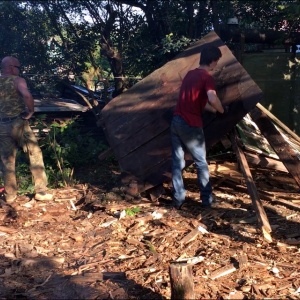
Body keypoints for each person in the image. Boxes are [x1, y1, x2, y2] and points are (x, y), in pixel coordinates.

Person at [171, 45, 225, 209]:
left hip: (176, 121)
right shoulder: (206, 77)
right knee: (201, 163)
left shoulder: (190, 75)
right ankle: (206, 201)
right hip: (191, 124)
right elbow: (212, 98)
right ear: (213, 61)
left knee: (176, 163)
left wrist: (213, 110)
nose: (217, 64)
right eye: (217, 61)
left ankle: (178, 200)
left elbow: (196, 102)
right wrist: (221, 111)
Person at [0, 56, 53, 204]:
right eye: (17, 67)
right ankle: (41, 191)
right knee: (34, 152)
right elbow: (27, 95)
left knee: (7, 161)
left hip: (1, 125)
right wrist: (31, 111)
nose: (19, 70)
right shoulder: (18, 80)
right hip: (18, 123)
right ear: (11, 67)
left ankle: (10, 196)